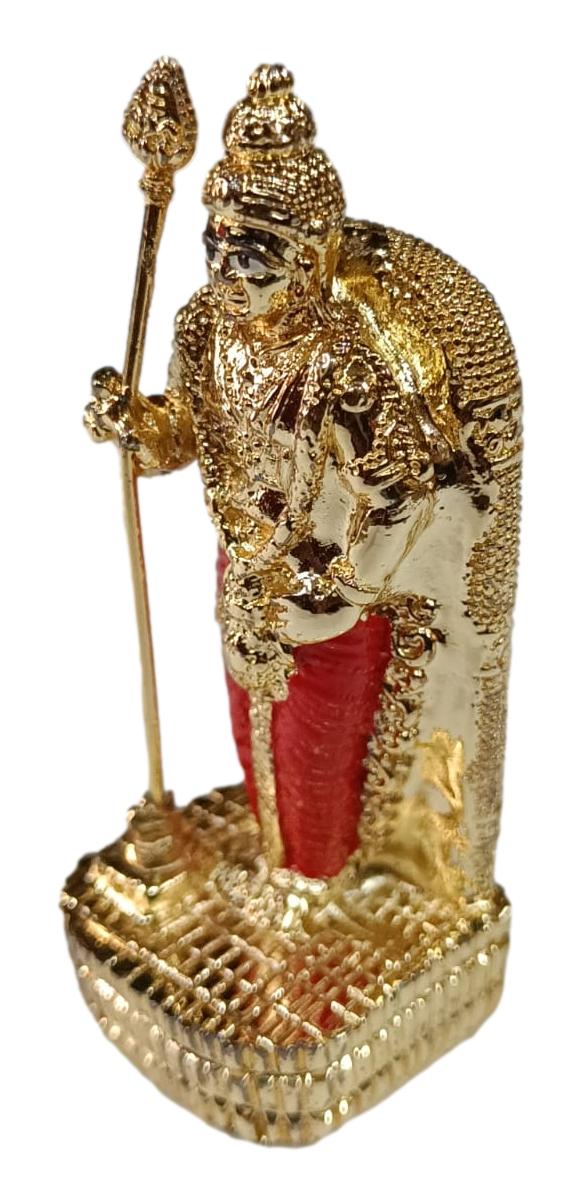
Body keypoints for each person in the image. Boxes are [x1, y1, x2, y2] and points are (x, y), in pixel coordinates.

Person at [84, 64, 521, 891]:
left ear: (309, 257)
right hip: (240, 571)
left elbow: (398, 498)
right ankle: (277, 858)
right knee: (252, 732)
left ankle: (315, 885)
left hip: (327, 600)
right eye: (217, 246)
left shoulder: (343, 367)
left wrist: (339, 590)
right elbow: (183, 430)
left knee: (316, 751)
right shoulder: (204, 327)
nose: (228, 270)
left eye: (253, 254)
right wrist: (136, 427)